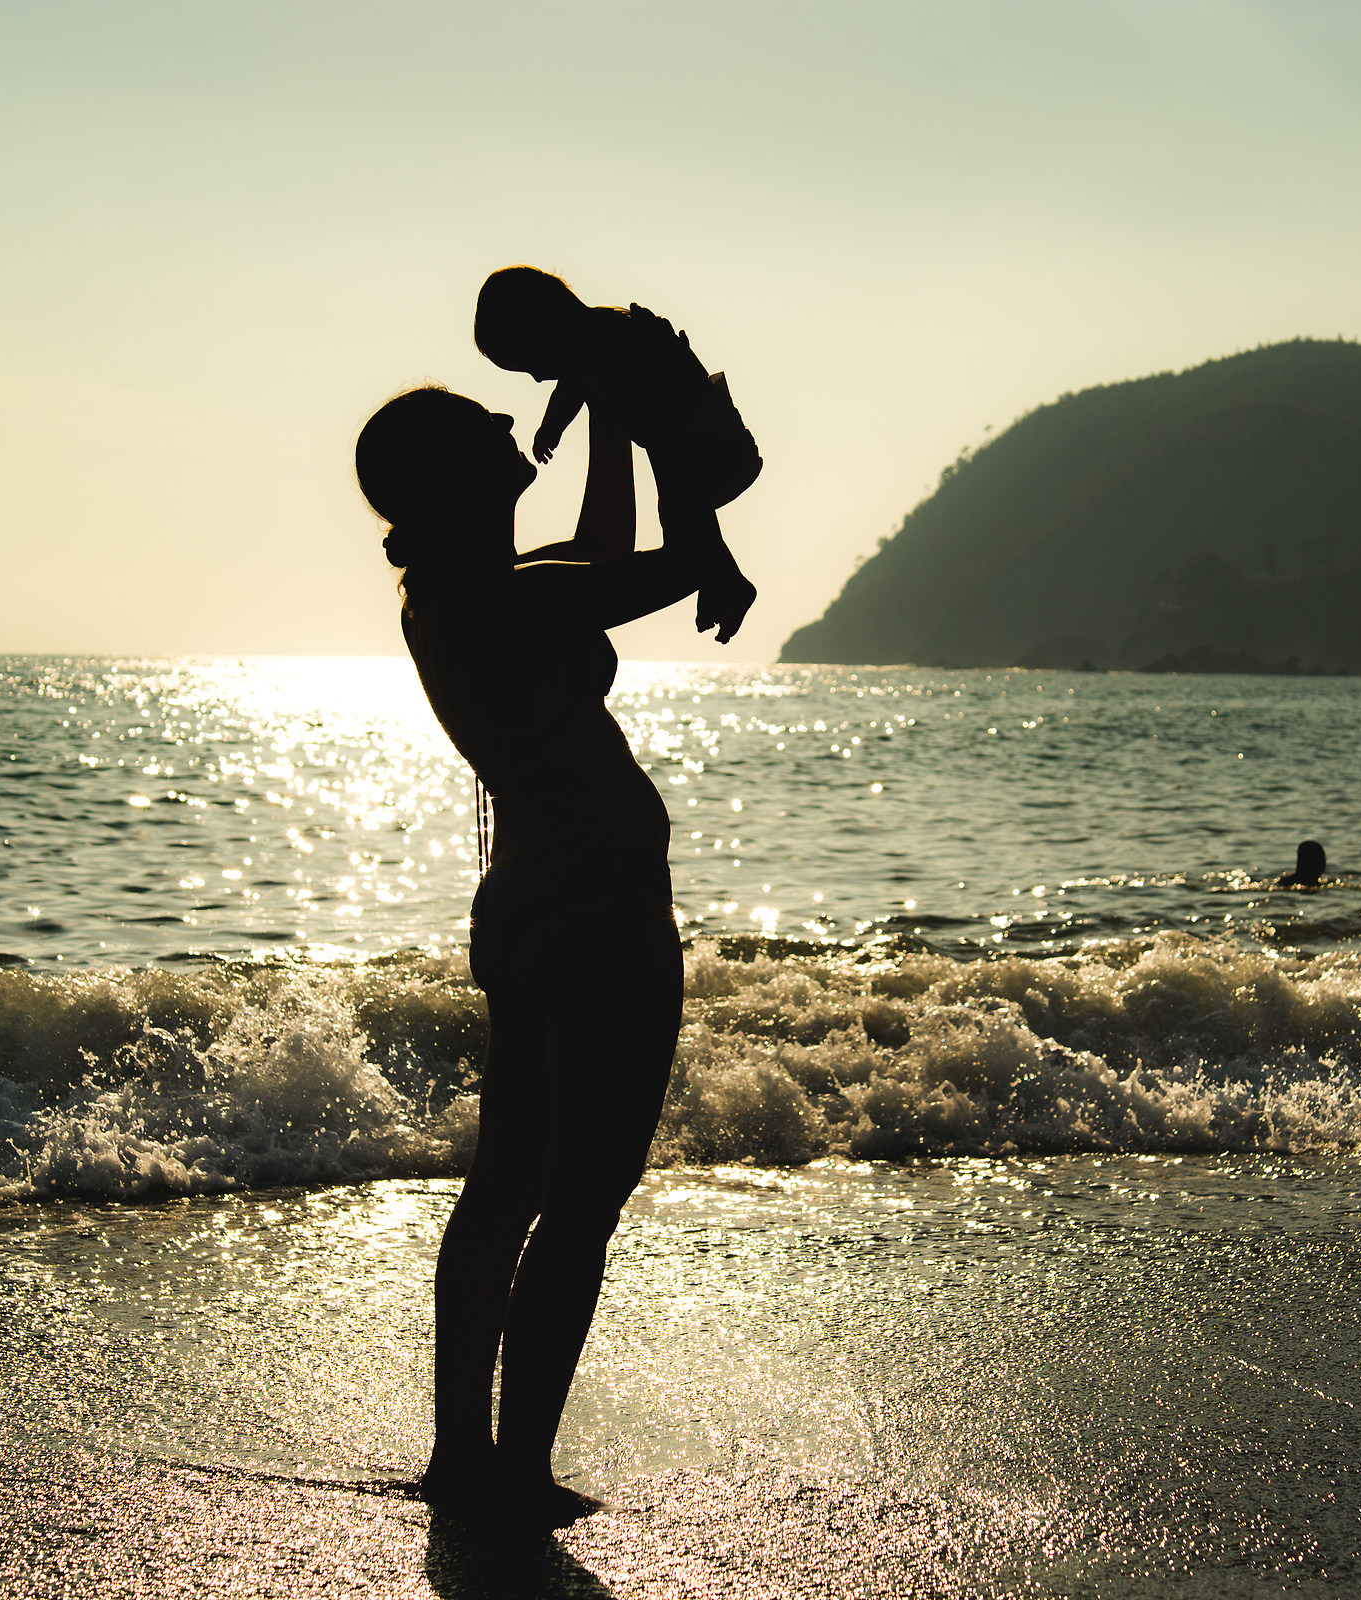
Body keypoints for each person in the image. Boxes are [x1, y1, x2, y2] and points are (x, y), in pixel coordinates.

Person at [355, 384, 753, 1528]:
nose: (505, 423)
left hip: (534, 899)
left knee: (509, 1187)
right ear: (455, 478)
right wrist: (646, 411)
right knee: (580, 1201)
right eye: (480, 425)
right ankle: (516, 1472)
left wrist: (615, 415)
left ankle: (463, 1456)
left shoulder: (465, 594)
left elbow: (598, 556)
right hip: (597, 907)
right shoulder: (506, 598)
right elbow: (666, 567)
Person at [474, 264, 764, 515]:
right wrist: (551, 426)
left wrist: (551, 427)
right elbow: (572, 386)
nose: (538, 377)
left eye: (530, 363)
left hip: (706, 442)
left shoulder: (606, 339)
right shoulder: (598, 335)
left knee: (683, 514)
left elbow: (572, 388)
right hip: (702, 439)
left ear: (545, 326)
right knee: (682, 514)